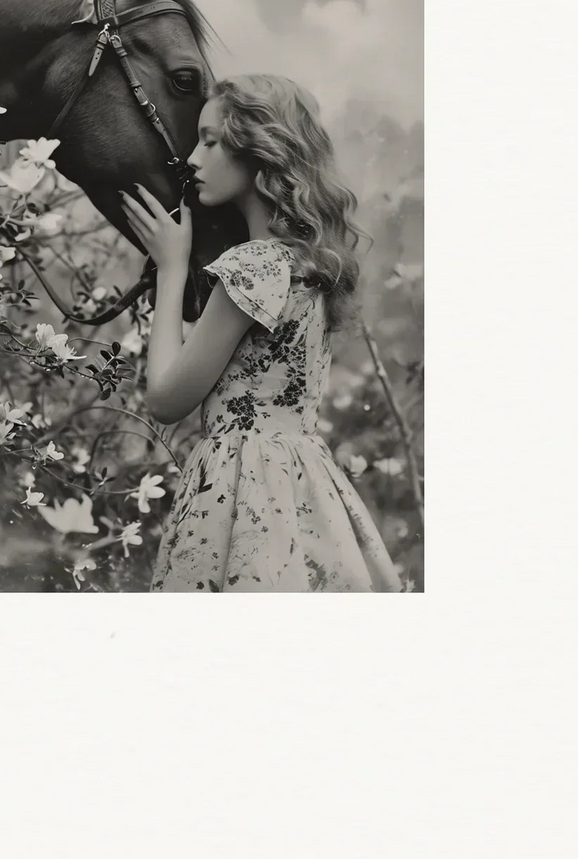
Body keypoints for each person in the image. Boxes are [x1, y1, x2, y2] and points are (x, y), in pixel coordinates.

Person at [120, 74, 404, 592]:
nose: (193, 159)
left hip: (239, 488)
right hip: (303, 485)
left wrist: (170, 267)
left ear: (259, 149)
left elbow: (164, 400)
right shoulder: (308, 265)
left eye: (209, 141)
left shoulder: (251, 268)